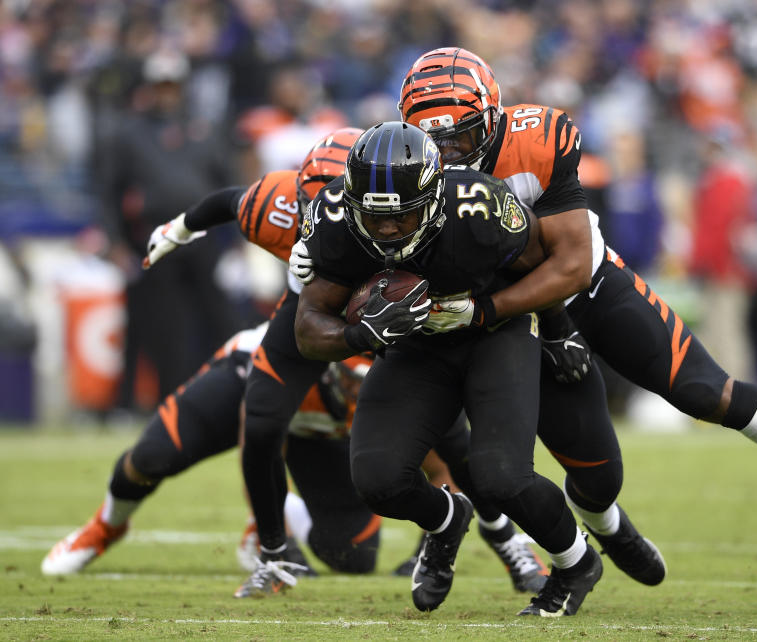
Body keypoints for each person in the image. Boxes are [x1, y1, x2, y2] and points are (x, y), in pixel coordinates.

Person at [396, 47, 757, 557]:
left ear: (491, 117)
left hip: (583, 290)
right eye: (432, 140)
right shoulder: (402, 166)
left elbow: (573, 264)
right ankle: (601, 534)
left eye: (462, 135)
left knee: (707, 392)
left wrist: (484, 310)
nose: (449, 155)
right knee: (575, 473)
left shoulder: (537, 138)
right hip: (506, 327)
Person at [143, 127, 547, 596]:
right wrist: (177, 231)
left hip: (396, 305)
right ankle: (274, 557)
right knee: (261, 416)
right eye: (314, 209)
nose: (324, 221)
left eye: (335, 208)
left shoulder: (400, 213)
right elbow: (226, 203)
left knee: (451, 433)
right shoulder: (276, 208)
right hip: (317, 311)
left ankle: (506, 538)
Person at [294, 121, 602, 616]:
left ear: (434, 198)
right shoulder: (334, 219)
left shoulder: (479, 207)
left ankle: (576, 563)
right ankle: (445, 519)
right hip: (415, 347)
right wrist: (362, 335)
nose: (389, 229)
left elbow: (544, 266)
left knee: (501, 478)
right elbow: (308, 328)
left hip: (493, 333)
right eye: (374, 218)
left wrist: (540, 321)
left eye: (403, 215)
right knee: (378, 478)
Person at [40, 321, 380, 593]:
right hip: (252, 380)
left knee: (355, 554)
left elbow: (421, 448)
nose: (359, 391)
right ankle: (106, 526)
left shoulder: (398, 369)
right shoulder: (309, 358)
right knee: (152, 458)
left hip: (318, 429)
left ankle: (281, 507)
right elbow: (259, 439)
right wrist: (277, 536)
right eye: (354, 381)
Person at [97, 49, 241, 412]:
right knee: (164, 328)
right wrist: (115, 242)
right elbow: (109, 191)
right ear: (150, 87)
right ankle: (172, 404)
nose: (166, 93)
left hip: (205, 238)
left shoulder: (204, 128)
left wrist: (240, 240)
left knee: (220, 321)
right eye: (160, 85)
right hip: (156, 237)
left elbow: (230, 183)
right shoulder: (130, 132)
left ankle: (230, 397)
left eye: (172, 85)